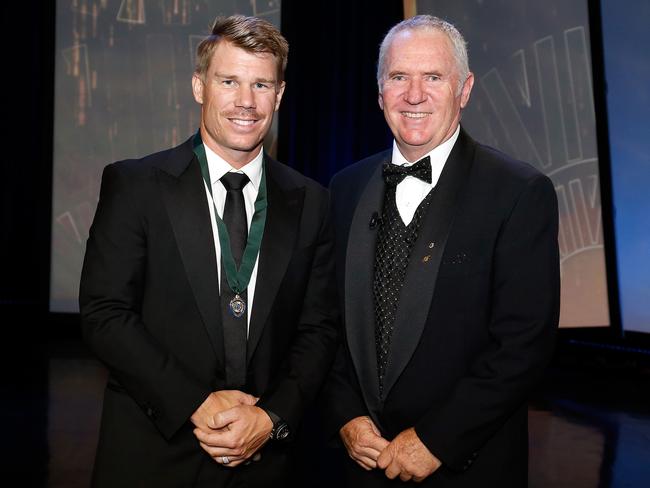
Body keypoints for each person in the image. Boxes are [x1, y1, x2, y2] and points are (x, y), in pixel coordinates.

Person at [80, 15, 338, 488]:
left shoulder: (313, 201)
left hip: (268, 462)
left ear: (279, 95)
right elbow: (105, 314)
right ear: (200, 87)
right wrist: (198, 404)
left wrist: (272, 417)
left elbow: (318, 330)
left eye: (262, 84)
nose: (246, 101)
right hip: (153, 457)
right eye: (229, 81)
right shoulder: (135, 185)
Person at [324, 15, 559, 487]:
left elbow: (523, 347)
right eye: (398, 77)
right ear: (379, 92)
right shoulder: (343, 188)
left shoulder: (519, 192)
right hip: (355, 466)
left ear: (464, 89)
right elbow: (323, 323)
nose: (414, 94)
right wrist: (345, 415)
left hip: (465, 467)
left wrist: (437, 439)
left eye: (433, 77)